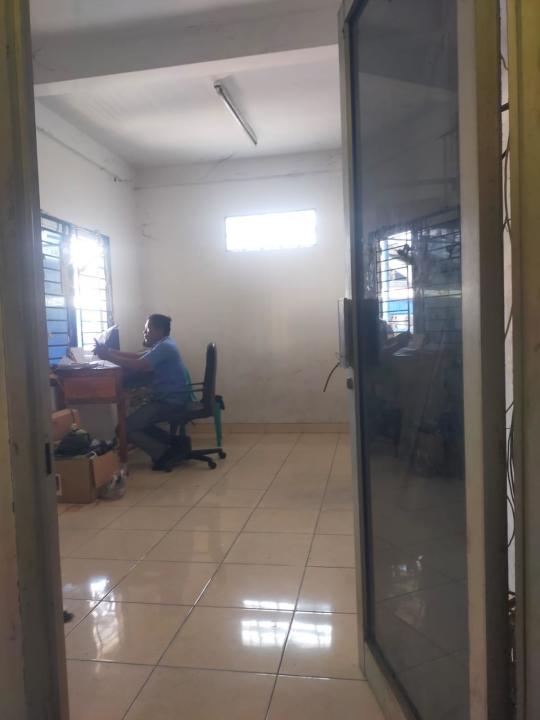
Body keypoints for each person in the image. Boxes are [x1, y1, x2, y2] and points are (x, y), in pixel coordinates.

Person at [94, 314, 190, 469]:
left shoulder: (165, 347)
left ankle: (164, 454)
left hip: (169, 401)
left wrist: (109, 356)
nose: (144, 332)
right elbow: (137, 356)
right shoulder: (164, 344)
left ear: (159, 330)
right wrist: (110, 351)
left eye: (147, 329)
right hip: (170, 398)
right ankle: (177, 444)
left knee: (123, 429)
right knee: (138, 423)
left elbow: (140, 365)